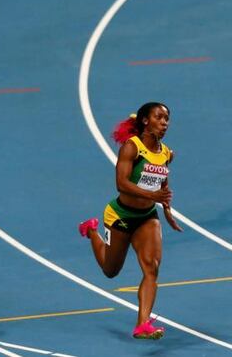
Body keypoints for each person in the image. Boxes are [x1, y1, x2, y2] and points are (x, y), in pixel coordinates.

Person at [78, 102, 182, 339]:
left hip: (147, 218)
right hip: (121, 216)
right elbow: (122, 184)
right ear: (145, 120)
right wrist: (153, 196)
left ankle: (143, 324)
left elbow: (162, 182)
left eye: (167, 119)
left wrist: (166, 208)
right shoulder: (130, 148)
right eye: (159, 117)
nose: (165, 123)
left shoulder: (167, 153)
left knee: (152, 269)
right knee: (110, 271)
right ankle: (92, 231)